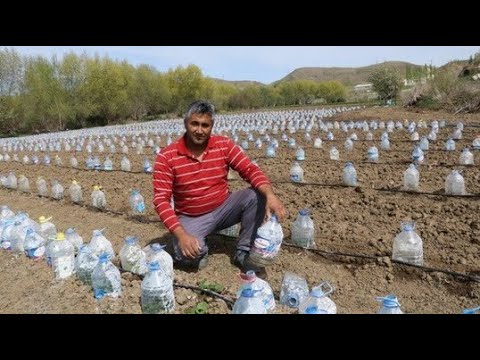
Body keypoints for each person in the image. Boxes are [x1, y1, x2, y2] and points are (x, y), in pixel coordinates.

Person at [153, 100, 285, 273]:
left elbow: (249, 169)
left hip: (224, 207)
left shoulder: (223, 145)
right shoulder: (167, 156)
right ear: (185, 123)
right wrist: (182, 235)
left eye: (205, 125)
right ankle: (200, 248)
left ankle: (243, 251)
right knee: (185, 254)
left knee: (256, 196)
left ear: (212, 126)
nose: (199, 130)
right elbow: (161, 201)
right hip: (192, 216)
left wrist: (270, 195)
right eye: (194, 124)